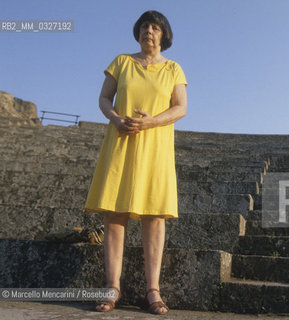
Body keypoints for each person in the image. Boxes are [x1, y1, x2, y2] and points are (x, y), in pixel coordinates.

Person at [84, 10, 187, 315]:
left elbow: (181, 108)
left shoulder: (173, 69)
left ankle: (152, 291)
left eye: (155, 28)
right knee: (115, 215)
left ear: (163, 35)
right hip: (121, 143)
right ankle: (111, 288)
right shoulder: (122, 62)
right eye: (144, 27)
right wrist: (115, 118)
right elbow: (104, 99)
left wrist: (151, 122)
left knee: (154, 216)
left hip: (155, 147)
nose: (148, 32)